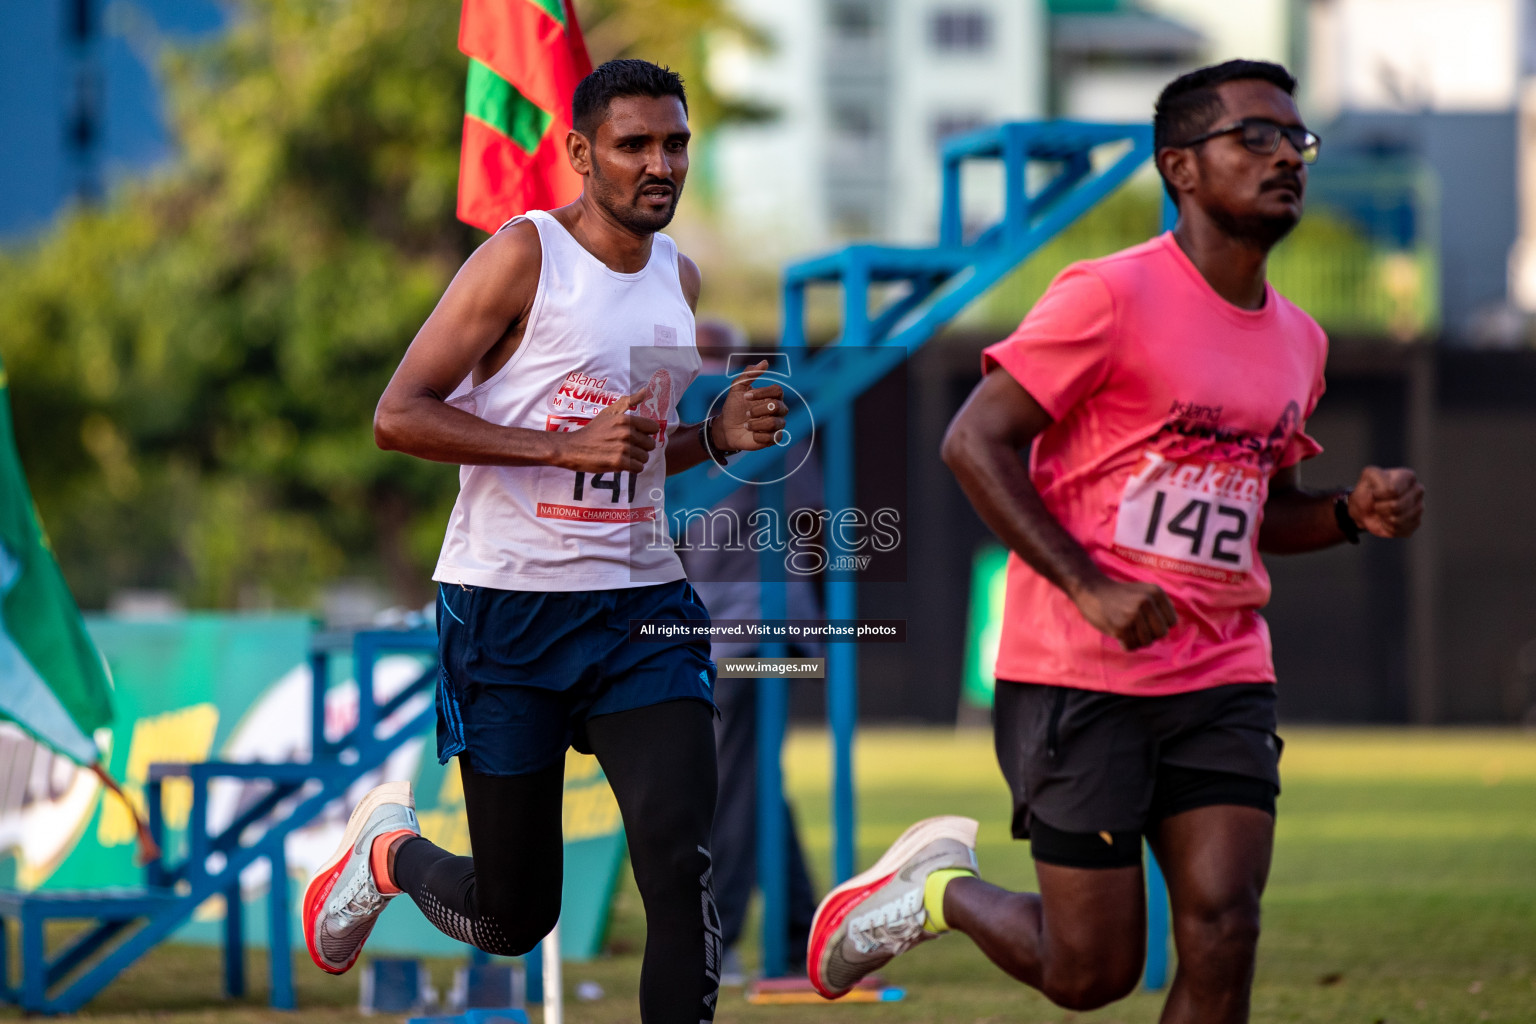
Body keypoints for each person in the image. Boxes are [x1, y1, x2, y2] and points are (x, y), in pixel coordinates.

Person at [805, 60, 1425, 1024]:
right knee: (1091, 972)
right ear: (1180, 166)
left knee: (1225, 927)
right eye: (1253, 137)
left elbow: (1263, 509)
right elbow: (973, 440)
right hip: (1079, 673)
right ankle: (934, 892)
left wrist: (1349, 513)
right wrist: (1090, 585)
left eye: (1295, 139)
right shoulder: (1108, 295)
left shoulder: (1301, 340)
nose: (1285, 157)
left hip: (1222, 672)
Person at [299, 59, 787, 1024]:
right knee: (515, 915)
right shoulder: (523, 258)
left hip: (643, 607)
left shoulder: (678, 276)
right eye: (634, 144)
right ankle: (388, 854)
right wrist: (559, 447)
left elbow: (633, 456)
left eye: (675, 144)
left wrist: (714, 438)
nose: (661, 164)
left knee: (679, 862)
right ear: (579, 152)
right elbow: (398, 415)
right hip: (507, 612)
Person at [677, 320, 822, 983]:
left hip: (749, 627)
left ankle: (726, 934)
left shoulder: (698, 425)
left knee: (734, 784)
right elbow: (811, 516)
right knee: (755, 780)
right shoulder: (765, 420)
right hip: (756, 624)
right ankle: (800, 931)